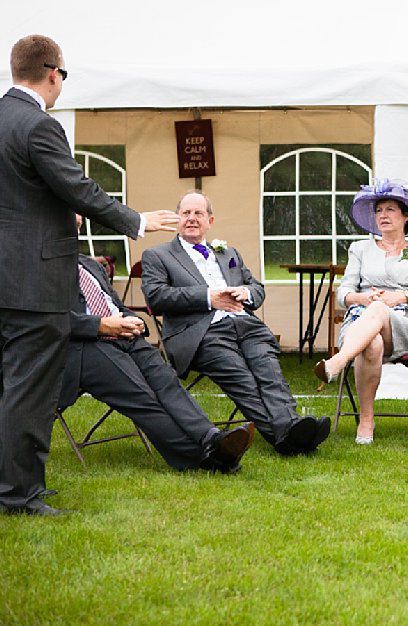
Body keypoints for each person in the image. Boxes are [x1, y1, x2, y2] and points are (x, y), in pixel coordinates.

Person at [0, 35, 179, 516]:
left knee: (11, 386)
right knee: (29, 391)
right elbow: (77, 188)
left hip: (7, 279)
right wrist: (137, 221)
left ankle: (18, 485)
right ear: (52, 73)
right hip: (34, 283)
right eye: (63, 75)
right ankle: (18, 495)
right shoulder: (39, 124)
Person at [141, 191, 330, 457]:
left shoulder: (228, 252)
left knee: (269, 371)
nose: (192, 218)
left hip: (246, 325)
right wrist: (209, 298)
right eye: (186, 213)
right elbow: (156, 297)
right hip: (202, 333)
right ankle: (288, 435)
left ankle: (289, 430)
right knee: (242, 379)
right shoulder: (158, 255)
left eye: (198, 213)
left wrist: (246, 292)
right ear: (177, 219)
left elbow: (257, 288)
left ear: (210, 221)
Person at [59, 219, 254, 473]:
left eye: (77, 225)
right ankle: (203, 458)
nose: (73, 230)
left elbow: (114, 304)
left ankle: (211, 437)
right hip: (82, 346)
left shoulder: (89, 265)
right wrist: (100, 325)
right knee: (142, 394)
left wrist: (136, 321)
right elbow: (43, 321)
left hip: (124, 337)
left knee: (167, 381)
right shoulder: (38, 269)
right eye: (67, 222)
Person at [314, 181, 408, 444]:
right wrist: (363, 297)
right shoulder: (359, 248)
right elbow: (343, 292)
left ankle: (338, 361)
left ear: (406, 216)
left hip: (402, 326)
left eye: (390, 209)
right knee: (372, 343)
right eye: (379, 210)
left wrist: (400, 297)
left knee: (380, 309)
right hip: (359, 322)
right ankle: (366, 421)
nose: (383, 215)